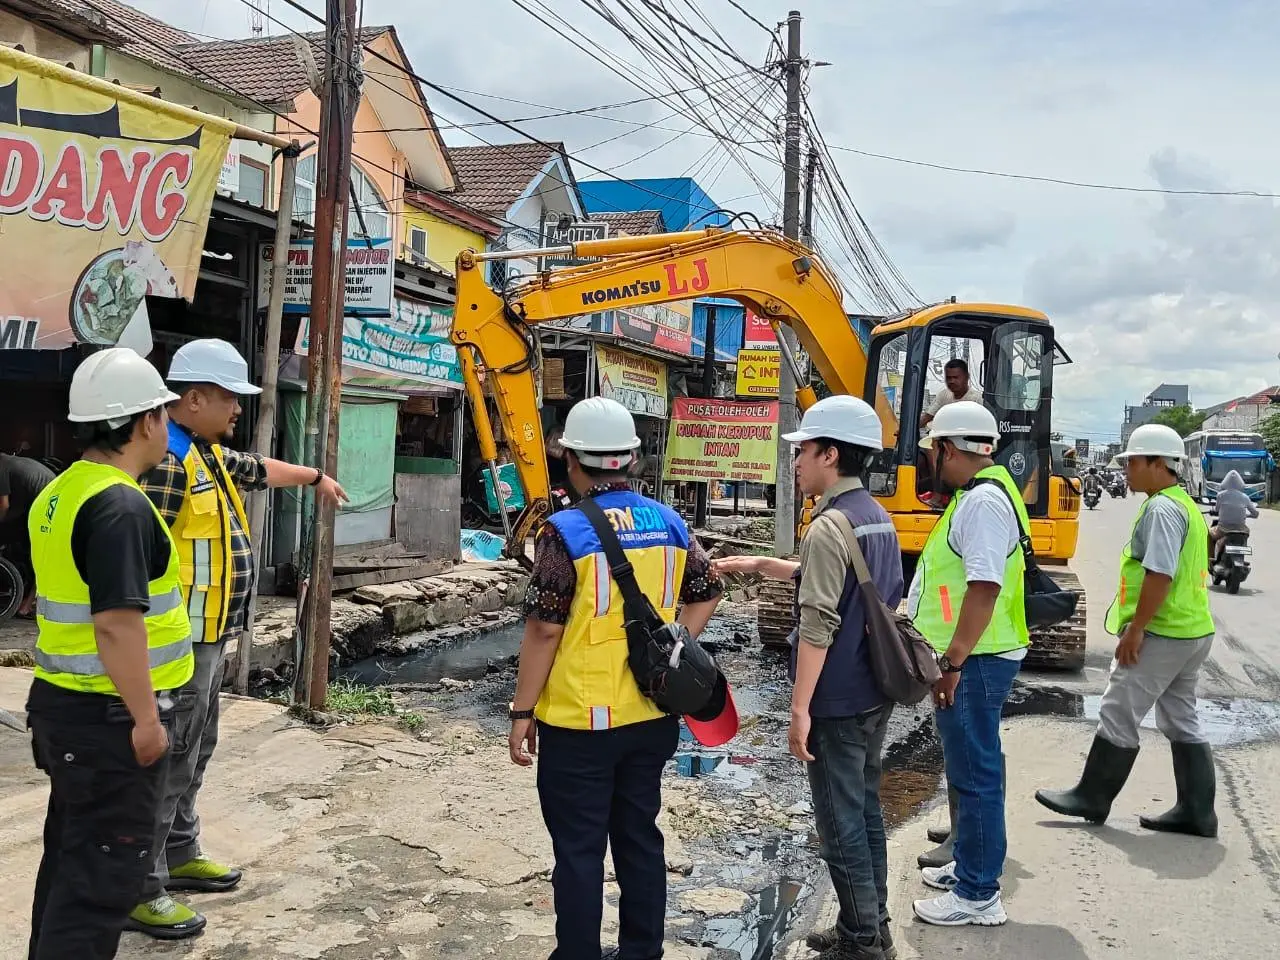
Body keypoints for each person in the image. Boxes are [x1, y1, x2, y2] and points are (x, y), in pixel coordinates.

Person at [128, 338, 348, 939]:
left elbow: (257, 468)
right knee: (170, 754)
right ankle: (141, 884)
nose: (237, 410)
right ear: (192, 398)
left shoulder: (204, 453)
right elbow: (140, 563)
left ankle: (180, 851)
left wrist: (316, 477)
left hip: (210, 634)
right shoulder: (167, 465)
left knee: (197, 747)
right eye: (229, 398)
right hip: (179, 641)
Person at [508, 396, 733, 960]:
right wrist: (675, 643)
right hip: (652, 716)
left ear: (572, 463)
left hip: (579, 725)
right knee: (639, 840)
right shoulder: (670, 522)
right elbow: (707, 590)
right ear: (630, 460)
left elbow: (543, 630)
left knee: (580, 851)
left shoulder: (563, 531)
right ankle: (641, 952)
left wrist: (520, 711)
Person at [714, 395, 903, 960]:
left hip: (837, 698)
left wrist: (800, 710)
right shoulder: (875, 517)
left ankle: (863, 942)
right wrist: (761, 566)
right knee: (866, 810)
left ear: (832, 453)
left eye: (804, 451)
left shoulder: (827, 526)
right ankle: (870, 923)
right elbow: (853, 582)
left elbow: (819, 623)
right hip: (874, 691)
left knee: (841, 822)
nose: (795, 462)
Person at [24, 348, 193, 959]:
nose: (167, 428)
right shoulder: (120, 505)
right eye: (163, 415)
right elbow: (117, 626)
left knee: (71, 868)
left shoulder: (63, 491)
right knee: (103, 883)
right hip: (110, 720)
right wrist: (148, 720)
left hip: (69, 710)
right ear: (145, 421)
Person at [1036, 424, 1218, 837]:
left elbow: (1159, 575)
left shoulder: (1161, 510)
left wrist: (1136, 630)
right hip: (1192, 631)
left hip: (1164, 633)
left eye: (1134, 462)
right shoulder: (1182, 504)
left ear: (1159, 464)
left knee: (1119, 709)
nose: (1128, 470)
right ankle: (1196, 812)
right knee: (1181, 717)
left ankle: (1092, 796)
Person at [908, 401, 1027, 928]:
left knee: (975, 773)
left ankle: (978, 894)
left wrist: (952, 662)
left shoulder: (981, 503)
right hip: (974, 656)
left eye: (935, 450)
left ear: (948, 448)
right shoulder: (986, 493)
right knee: (972, 769)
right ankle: (969, 868)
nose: (934, 461)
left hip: (974, 660)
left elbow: (983, 587)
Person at [0, 452, 56, 615]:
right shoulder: (7, 462)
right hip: (38, 503)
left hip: (48, 506)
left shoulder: (1, 466)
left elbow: (3, 506)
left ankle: (27, 605)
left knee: (40, 556)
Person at [1209, 469, 1257, 563]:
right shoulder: (1245, 497)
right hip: (1241, 530)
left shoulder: (1221, 495)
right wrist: (1248, 515)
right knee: (1242, 540)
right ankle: (1241, 558)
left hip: (1223, 529)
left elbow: (1217, 510)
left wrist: (1213, 510)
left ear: (1226, 482)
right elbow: (1255, 514)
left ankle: (1212, 559)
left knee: (1210, 533)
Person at [919, 359, 983, 429]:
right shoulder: (943, 395)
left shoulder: (976, 399)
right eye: (948, 378)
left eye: (956, 377)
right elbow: (927, 417)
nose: (952, 381)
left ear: (967, 377)